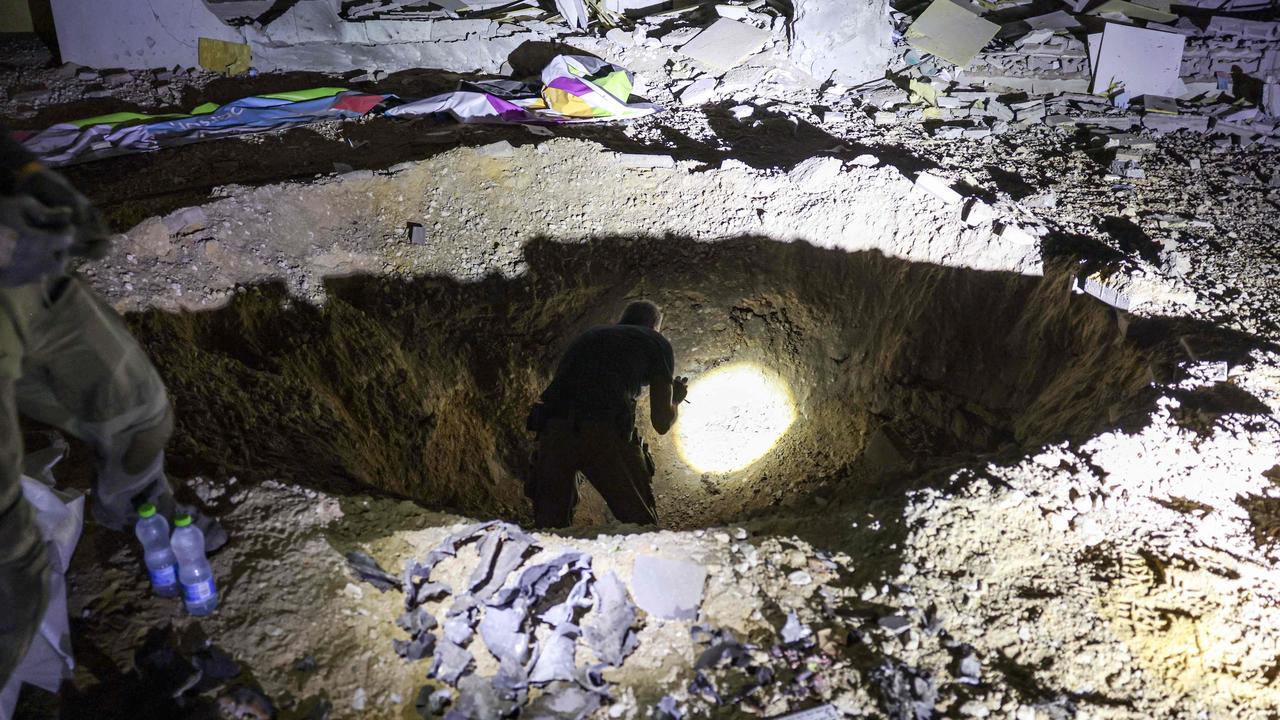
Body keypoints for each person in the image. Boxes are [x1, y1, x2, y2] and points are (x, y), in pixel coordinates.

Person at [0, 132, 223, 686]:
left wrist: (26, 173)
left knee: (138, 414)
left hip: (20, 267)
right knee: (14, 560)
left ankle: (136, 510)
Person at [525, 300, 688, 528]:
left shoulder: (591, 335)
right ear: (654, 326)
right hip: (603, 430)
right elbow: (661, 422)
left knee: (550, 530)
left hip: (553, 429)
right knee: (642, 527)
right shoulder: (656, 341)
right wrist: (676, 400)